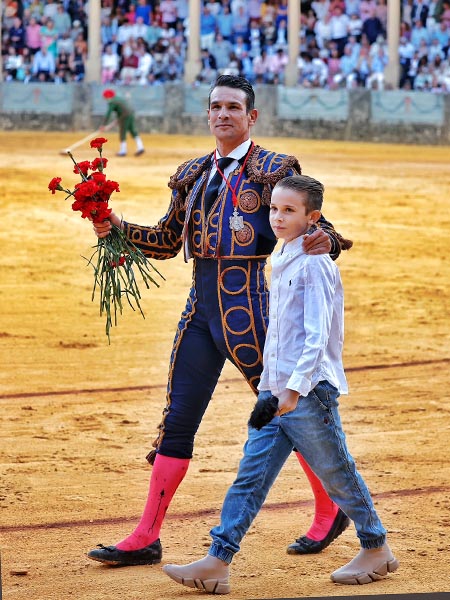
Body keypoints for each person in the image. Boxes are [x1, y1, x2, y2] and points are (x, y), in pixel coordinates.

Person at [87, 75, 352, 568]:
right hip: (201, 312)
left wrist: (326, 240)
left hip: (253, 313)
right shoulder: (192, 175)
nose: (224, 114)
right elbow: (167, 242)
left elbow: (318, 223)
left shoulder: (275, 168)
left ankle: (330, 508)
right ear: (208, 116)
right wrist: (116, 225)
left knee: (289, 413)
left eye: (234, 107)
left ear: (251, 117)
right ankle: (147, 535)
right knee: (177, 419)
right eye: (216, 107)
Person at [162, 175, 399, 593]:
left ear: (314, 218)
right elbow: (280, 335)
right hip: (277, 392)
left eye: (289, 210)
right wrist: (272, 390)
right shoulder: (286, 253)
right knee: (249, 476)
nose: (277, 217)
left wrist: (293, 389)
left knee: (337, 473)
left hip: (307, 393)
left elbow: (318, 334)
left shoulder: (314, 262)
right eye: (274, 208)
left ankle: (376, 546)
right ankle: (218, 561)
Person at [100, 89, 145, 157]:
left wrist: (103, 125)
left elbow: (108, 114)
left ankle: (123, 151)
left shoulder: (112, 101)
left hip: (125, 115)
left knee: (122, 132)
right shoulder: (117, 98)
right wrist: (118, 120)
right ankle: (140, 147)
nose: (105, 99)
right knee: (133, 131)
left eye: (105, 97)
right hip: (130, 113)